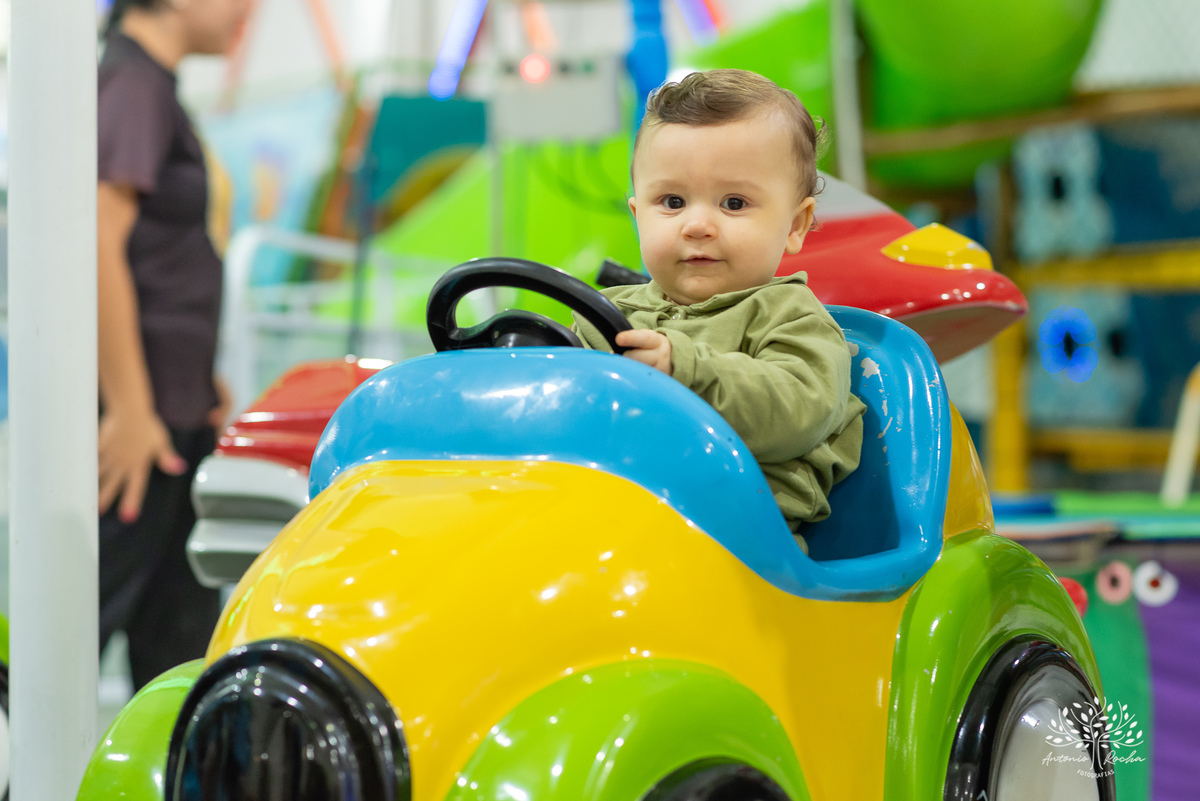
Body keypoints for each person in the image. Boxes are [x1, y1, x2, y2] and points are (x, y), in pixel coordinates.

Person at [574, 69, 866, 541]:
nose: (697, 225)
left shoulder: (790, 316)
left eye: (733, 203)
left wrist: (685, 372)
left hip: (735, 541)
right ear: (637, 215)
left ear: (796, 225)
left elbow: (797, 411)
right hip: (611, 515)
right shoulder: (602, 315)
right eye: (672, 201)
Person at [97, 0, 248, 690]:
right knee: (77, 634)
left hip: (174, 416)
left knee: (180, 653)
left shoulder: (153, 87)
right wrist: (128, 409)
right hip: (138, 432)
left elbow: (162, 258)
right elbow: (97, 245)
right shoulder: (132, 85)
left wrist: (200, 377)